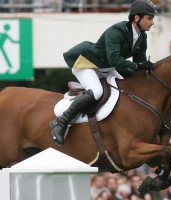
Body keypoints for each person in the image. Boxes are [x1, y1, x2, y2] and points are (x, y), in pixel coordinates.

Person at [50, 0, 157, 145]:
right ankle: (60, 122)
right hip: (87, 64)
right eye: (149, 18)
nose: (152, 23)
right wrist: (139, 65)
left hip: (106, 68)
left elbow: (139, 63)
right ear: (137, 18)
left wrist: (147, 73)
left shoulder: (142, 37)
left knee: (128, 88)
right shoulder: (117, 30)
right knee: (96, 91)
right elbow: (115, 59)